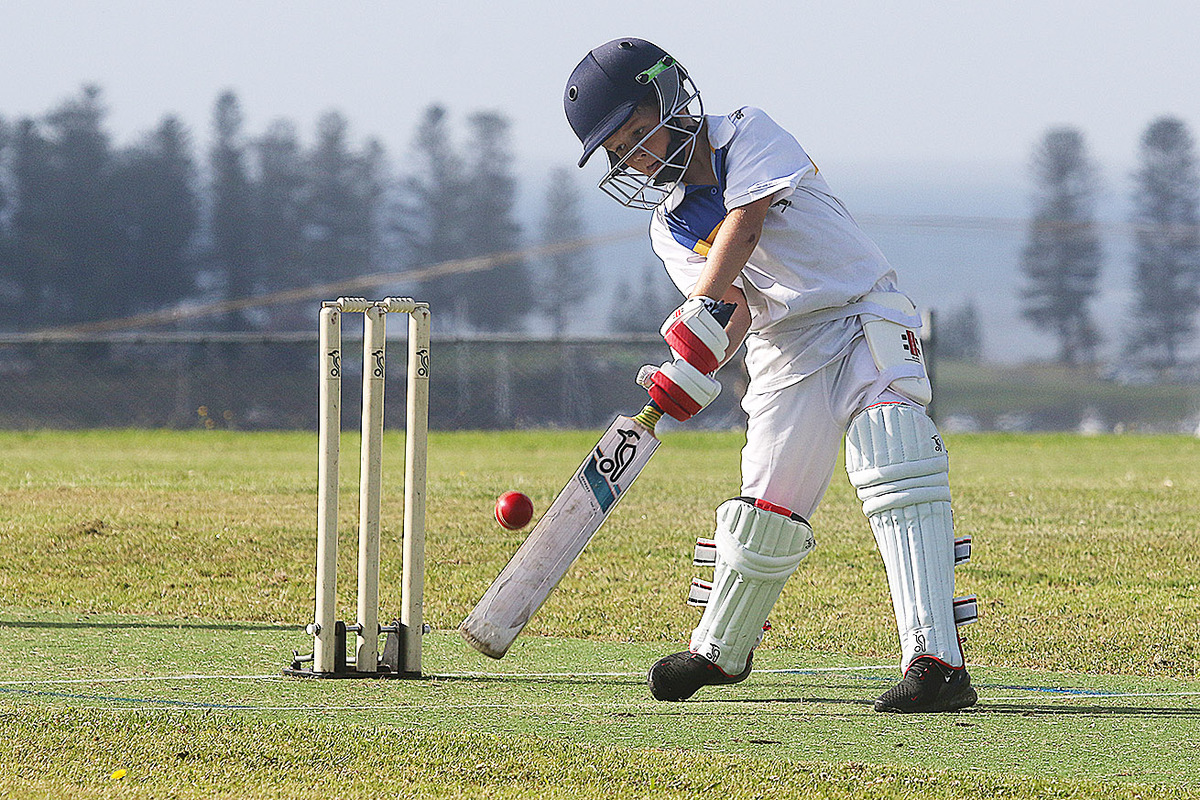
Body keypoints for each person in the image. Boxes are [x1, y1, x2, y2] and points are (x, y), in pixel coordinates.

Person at [563, 37, 978, 713]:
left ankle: (937, 660)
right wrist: (692, 364)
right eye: (621, 150)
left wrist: (696, 312)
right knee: (765, 505)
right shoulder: (668, 228)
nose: (639, 154)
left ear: (671, 99)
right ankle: (720, 650)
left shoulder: (747, 133)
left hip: (858, 311)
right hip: (784, 349)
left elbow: (746, 224)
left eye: (639, 131)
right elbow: (734, 310)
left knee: (893, 449)